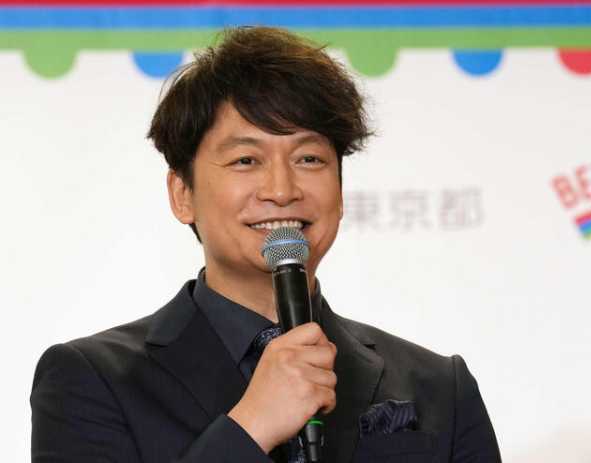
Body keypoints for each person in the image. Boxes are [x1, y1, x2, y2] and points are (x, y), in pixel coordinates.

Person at [31, 26, 501, 463]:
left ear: (341, 190)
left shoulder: (440, 388)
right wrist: (250, 426)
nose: (281, 189)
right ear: (182, 194)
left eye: (309, 158)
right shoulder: (90, 380)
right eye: (246, 160)